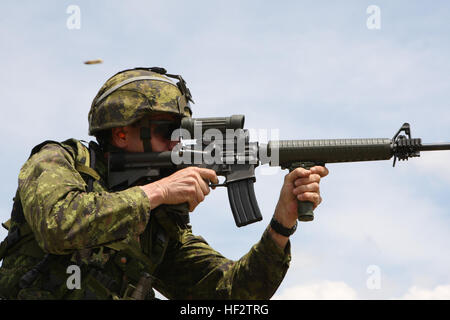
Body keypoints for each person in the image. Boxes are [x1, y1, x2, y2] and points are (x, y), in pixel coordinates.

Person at [0, 67, 328, 299]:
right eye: (166, 132)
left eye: (180, 134)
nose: (176, 144)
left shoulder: (159, 224)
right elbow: (59, 225)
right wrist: (158, 191)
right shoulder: (60, 159)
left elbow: (230, 295)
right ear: (121, 132)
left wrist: (281, 225)